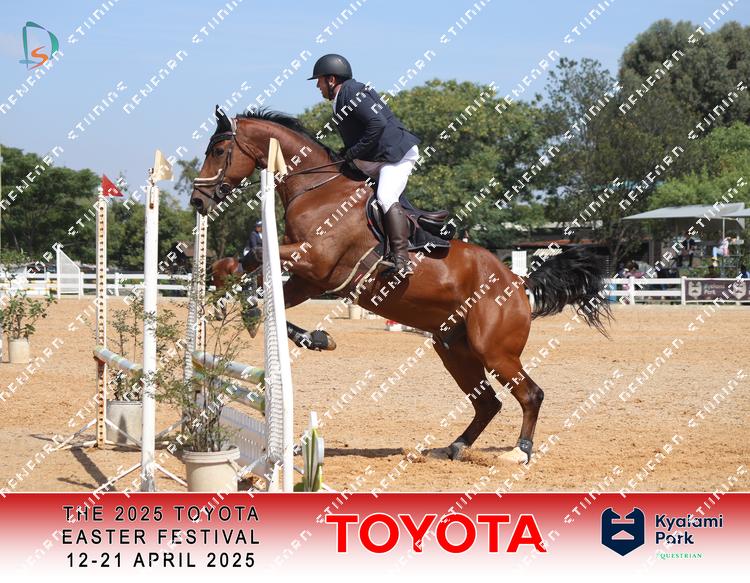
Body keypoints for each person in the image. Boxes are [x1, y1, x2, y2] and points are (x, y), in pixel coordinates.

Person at [308, 53, 420, 276]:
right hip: (377, 159)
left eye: (319, 80)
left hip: (394, 156)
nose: (317, 86)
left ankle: (402, 259)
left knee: (386, 197)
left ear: (331, 79)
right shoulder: (342, 96)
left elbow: (377, 123)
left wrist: (352, 153)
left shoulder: (352, 91)